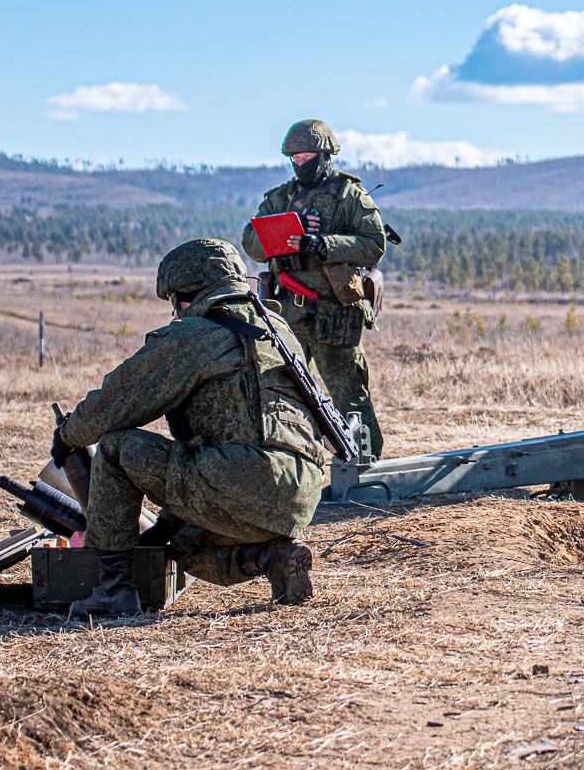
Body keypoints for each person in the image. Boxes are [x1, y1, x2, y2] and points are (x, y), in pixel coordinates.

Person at [52, 239, 329, 617]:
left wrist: (68, 434)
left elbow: (117, 401)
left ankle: (114, 590)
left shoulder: (199, 332)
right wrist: (157, 532)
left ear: (185, 294)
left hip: (245, 476)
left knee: (116, 448)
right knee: (181, 543)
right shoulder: (276, 329)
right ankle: (272, 556)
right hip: (301, 493)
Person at [241, 121, 388, 459]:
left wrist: (324, 244)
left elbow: (374, 244)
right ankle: (289, 461)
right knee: (280, 391)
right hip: (287, 313)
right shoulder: (279, 198)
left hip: (335, 310)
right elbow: (252, 242)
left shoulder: (349, 195)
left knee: (348, 393)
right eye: (294, 157)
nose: (299, 162)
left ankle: (367, 464)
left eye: (306, 156)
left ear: (325, 156)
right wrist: (284, 230)